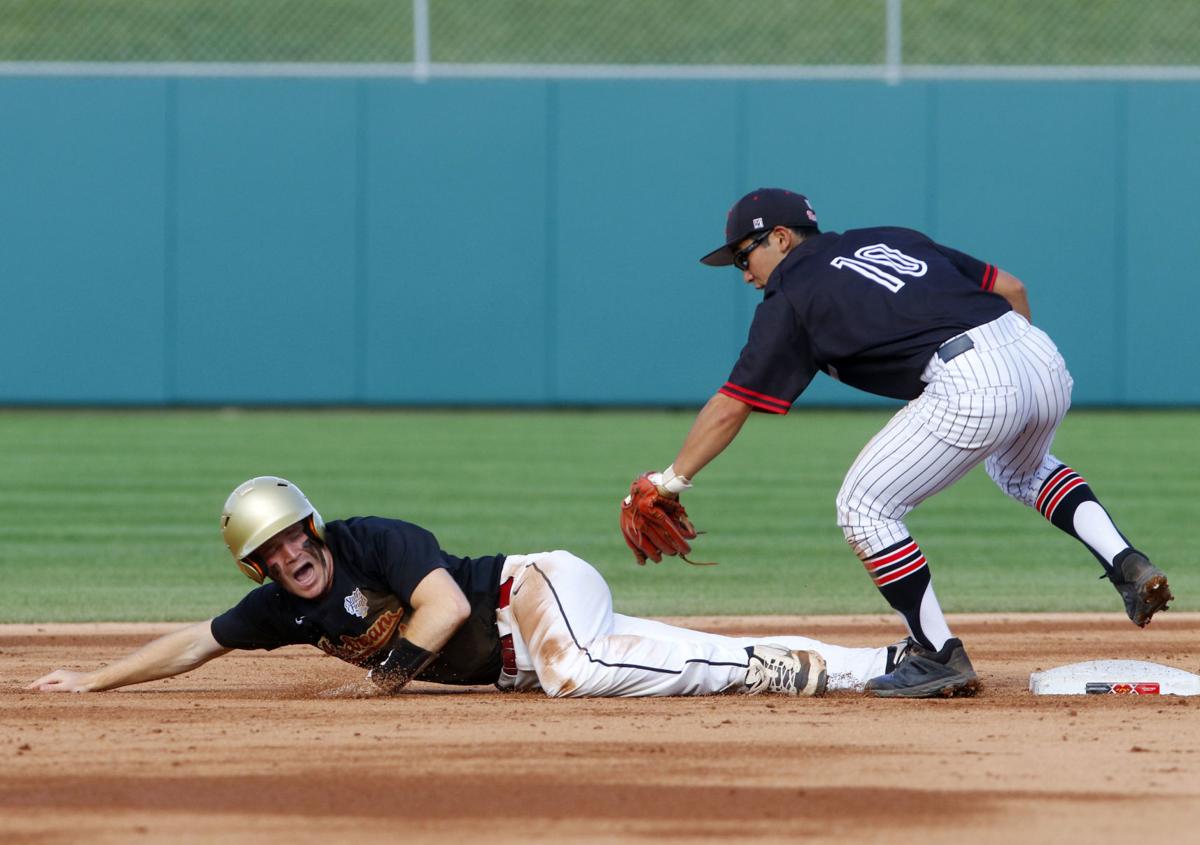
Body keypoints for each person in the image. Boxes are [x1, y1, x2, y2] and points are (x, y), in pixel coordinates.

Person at [624, 187, 1173, 699]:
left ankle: (939, 654)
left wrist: (668, 480)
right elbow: (1010, 287)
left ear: (783, 238)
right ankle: (1126, 562)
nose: (744, 274)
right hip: (1036, 354)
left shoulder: (791, 291)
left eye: (745, 256)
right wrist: (1018, 375)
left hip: (974, 376)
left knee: (864, 508)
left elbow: (732, 405)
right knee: (1022, 471)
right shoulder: (891, 236)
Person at [28, 476, 905, 699]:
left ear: (314, 526)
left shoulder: (373, 540)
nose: (290, 551)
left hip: (532, 589)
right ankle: (876, 663)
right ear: (255, 564)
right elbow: (195, 642)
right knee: (667, 655)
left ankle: (772, 673)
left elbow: (446, 607)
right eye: (271, 548)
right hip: (522, 654)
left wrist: (381, 678)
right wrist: (94, 677)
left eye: (295, 532)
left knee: (581, 672)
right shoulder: (279, 607)